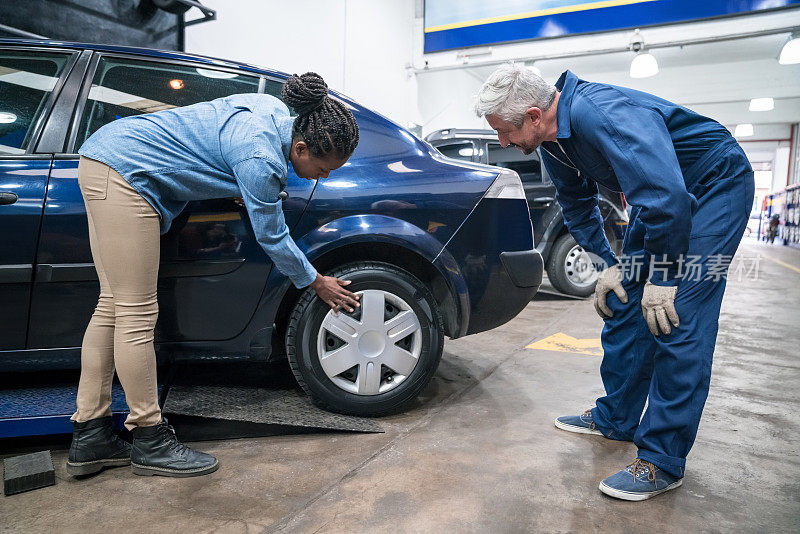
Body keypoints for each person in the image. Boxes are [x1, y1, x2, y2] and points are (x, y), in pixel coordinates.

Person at [475, 64, 754, 500]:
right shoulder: (553, 140)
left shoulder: (600, 114)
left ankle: (662, 460)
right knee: (623, 298)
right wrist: (607, 264)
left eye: (504, 131)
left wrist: (663, 275)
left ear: (533, 115)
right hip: (662, 196)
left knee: (677, 314)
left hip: (714, 183)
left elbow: (670, 200)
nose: (502, 142)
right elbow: (576, 201)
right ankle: (616, 417)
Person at [66, 72, 361, 478]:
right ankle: (149, 437)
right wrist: (316, 281)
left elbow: (216, 136)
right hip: (126, 176)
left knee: (112, 305)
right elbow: (272, 237)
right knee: (136, 313)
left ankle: (90, 435)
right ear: (301, 147)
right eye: (323, 168)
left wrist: (232, 178)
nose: (324, 177)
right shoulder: (260, 160)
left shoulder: (274, 112)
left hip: (105, 158)